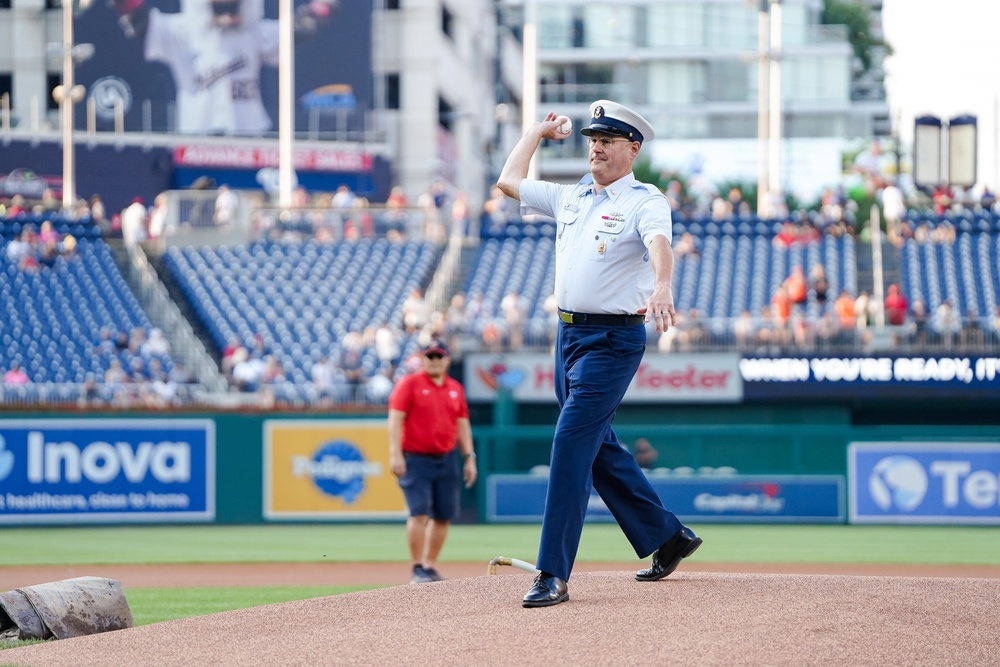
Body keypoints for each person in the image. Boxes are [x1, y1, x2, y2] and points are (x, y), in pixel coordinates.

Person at [497, 100, 702, 608]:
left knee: (570, 445)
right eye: (592, 140)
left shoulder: (644, 199)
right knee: (600, 451)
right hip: (566, 337)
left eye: (608, 141)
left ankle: (553, 572)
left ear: (632, 149)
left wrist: (663, 285)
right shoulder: (572, 197)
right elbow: (507, 180)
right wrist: (534, 133)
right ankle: (668, 536)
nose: (596, 148)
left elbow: (658, 242)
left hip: (612, 340)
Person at [112, 0, 339, 135]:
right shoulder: (182, 31)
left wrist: (324, 6)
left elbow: (300, 28)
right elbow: (140, 20)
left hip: (248, 134)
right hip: (196, 134)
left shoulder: (253, 32)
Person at [387, 339, 476, 585]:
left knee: (444, 515)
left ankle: (429, 565)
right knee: (419, 512)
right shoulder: (410, 384)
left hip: (446, 457)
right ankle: (417, 567)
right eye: (430, 356)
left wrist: (469, 457)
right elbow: (395, 420)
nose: (435, 361)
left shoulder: (455, 388)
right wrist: (395, 454)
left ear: (447, 359)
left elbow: (462, 424)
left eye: (439, 356)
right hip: (416, 458)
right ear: (423, 359)